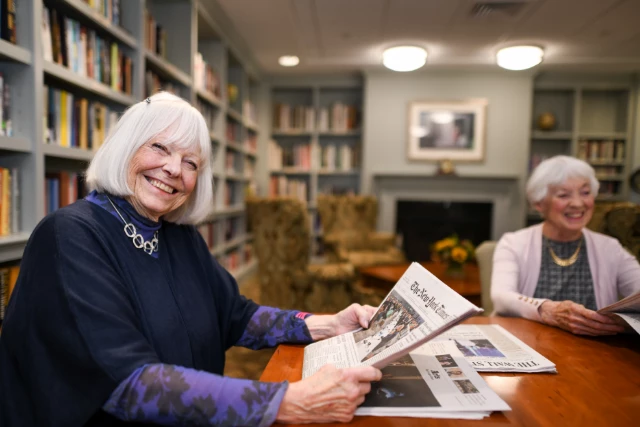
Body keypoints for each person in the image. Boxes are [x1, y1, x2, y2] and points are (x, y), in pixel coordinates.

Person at [0, 92, 381, 426]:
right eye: (160, 148)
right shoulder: (69, 235)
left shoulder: (179, 235)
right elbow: (128, 384)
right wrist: (287, 402)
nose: (173, 170)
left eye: (191, 163)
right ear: (125, 147)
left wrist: (326, 324)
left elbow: (236, 316)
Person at [491, 155, 640, 336]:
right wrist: (547, 310)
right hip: (529, 343)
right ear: (539, 203)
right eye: (563, 195)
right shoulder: (514, 243)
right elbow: (501, 297)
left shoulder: (610, 248)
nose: (578, 203)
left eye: (585, 193)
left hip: (595, 351)